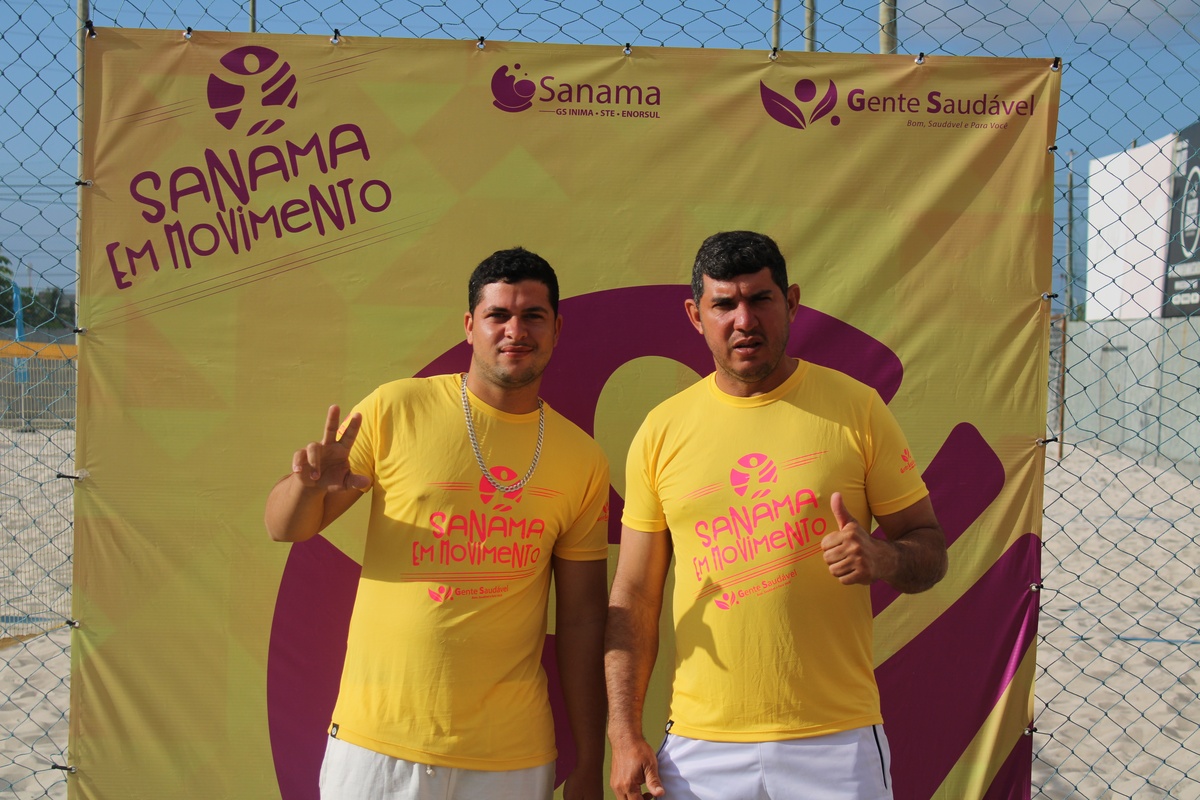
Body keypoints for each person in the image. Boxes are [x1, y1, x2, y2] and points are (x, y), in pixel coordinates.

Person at [605, 230, 948, 800]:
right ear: (695, 315)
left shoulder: (857, 409)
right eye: (724, 304)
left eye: (760, 299)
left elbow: (929, 548)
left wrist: (885, 557)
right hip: (700, 745)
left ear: (790, 302)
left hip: (836, 742)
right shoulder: (662, 431)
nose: (744, 321)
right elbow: (635, 594)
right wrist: (623, 732)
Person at [265, 247, 609, 800]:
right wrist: (306, 486)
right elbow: (285, 527)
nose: (515, 331)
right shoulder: (396, 408)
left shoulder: (582, 458)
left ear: (556, 329)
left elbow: (583, 620)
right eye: (498, 315)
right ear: (470, 325)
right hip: (377, 746)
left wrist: (591, 759)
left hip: (511, 757)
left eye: (533, 316)